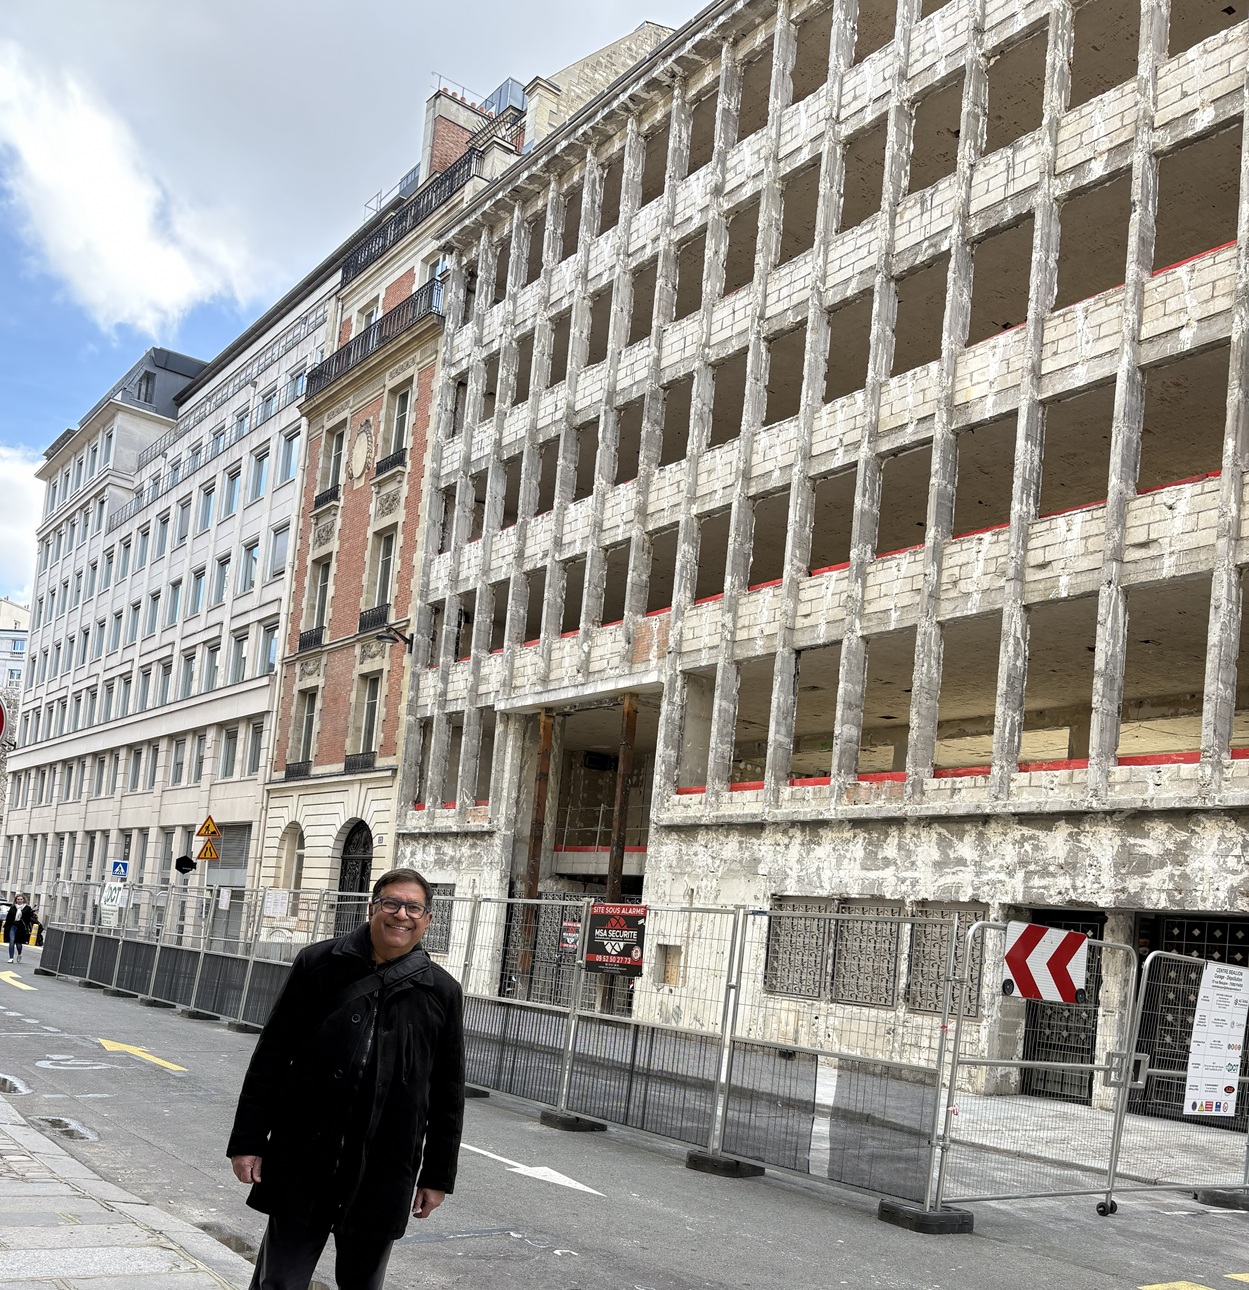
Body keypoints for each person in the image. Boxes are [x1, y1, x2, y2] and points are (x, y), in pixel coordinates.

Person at [227, 867, 464, 1290]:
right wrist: (247, 1141)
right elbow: (272, 1058)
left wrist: (436, 1176)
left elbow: (447, 1092)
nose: (401, 915)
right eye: (391, 903)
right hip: (304, 1156)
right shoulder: (318, 964)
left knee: (361, 1283)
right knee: (280, 1281)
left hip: (383, 1167)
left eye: (414, 907)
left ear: (427, 919)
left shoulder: (440, 990)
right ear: (373, 908)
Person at [4, 894, 37, 963]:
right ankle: (11, 958)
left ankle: (19, 954)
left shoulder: (27, 908)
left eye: (21, 899)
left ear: (23, 900)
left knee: (18, 943)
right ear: (16, 900)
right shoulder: (13, 908)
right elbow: (8, 917)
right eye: (18, 899)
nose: (19, 901)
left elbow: (28, 919)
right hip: (13, 926)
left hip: (21, 928)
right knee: (11, 941)